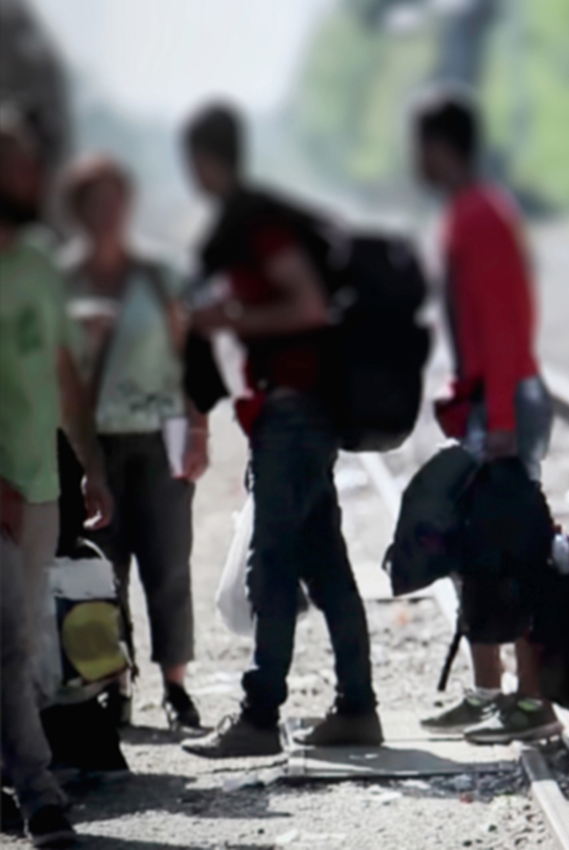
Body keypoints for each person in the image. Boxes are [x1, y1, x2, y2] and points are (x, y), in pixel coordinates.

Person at [180, 103, 382, 757]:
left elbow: (307, 305)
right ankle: (357, 709)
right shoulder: (252, 221)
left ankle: (259, 718)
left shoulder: (259, 226)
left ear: (207, 161)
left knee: (273, 567)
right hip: (292, 413)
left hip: (294, 415)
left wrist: (229, 317)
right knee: (324, 568)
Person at [411, 90, 563, 743]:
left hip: (505, 402)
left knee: (514, 547)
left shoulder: (481, 215)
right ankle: (485, 693)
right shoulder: (465, 212)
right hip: (486, 400)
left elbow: (505, 325)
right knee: (477, 550)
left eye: (418, 145)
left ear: (440, 146)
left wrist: (497, 412)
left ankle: (531, 702)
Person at [60, 154, 207, 733]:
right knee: (101, 572)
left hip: (158, 433)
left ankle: (176, 687)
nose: (108, 212)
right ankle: (112, 688)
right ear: (79, 209)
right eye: (95, 201)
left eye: (116, 199)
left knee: (168, 564)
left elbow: (186, 356)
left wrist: (197, 426)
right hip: (87, 440)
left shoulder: (156, 274)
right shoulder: (62, 281)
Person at [0, 106, 114, 848]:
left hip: (40, 487)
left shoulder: (38, 261)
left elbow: (66, 377)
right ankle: (40, 795)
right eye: (15, 162)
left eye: (31, 163)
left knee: (21, 645)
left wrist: (89, 470)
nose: (31, 175)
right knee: (10, 639)